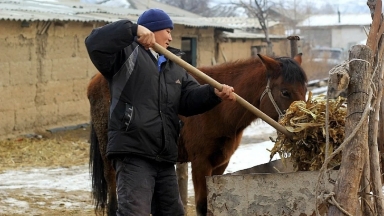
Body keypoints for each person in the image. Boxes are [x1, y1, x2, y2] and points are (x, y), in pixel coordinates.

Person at [85, 8, 235, 216]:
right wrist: (133, 29)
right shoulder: (125, 55)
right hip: (134, 151)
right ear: (151, 30)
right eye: (167, 30)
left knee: (172, 212)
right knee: (134, 212)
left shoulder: (174, 65)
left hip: (163, 157)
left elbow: (188, 100)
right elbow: (94, 42)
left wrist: (213, 93)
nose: (171, 37)